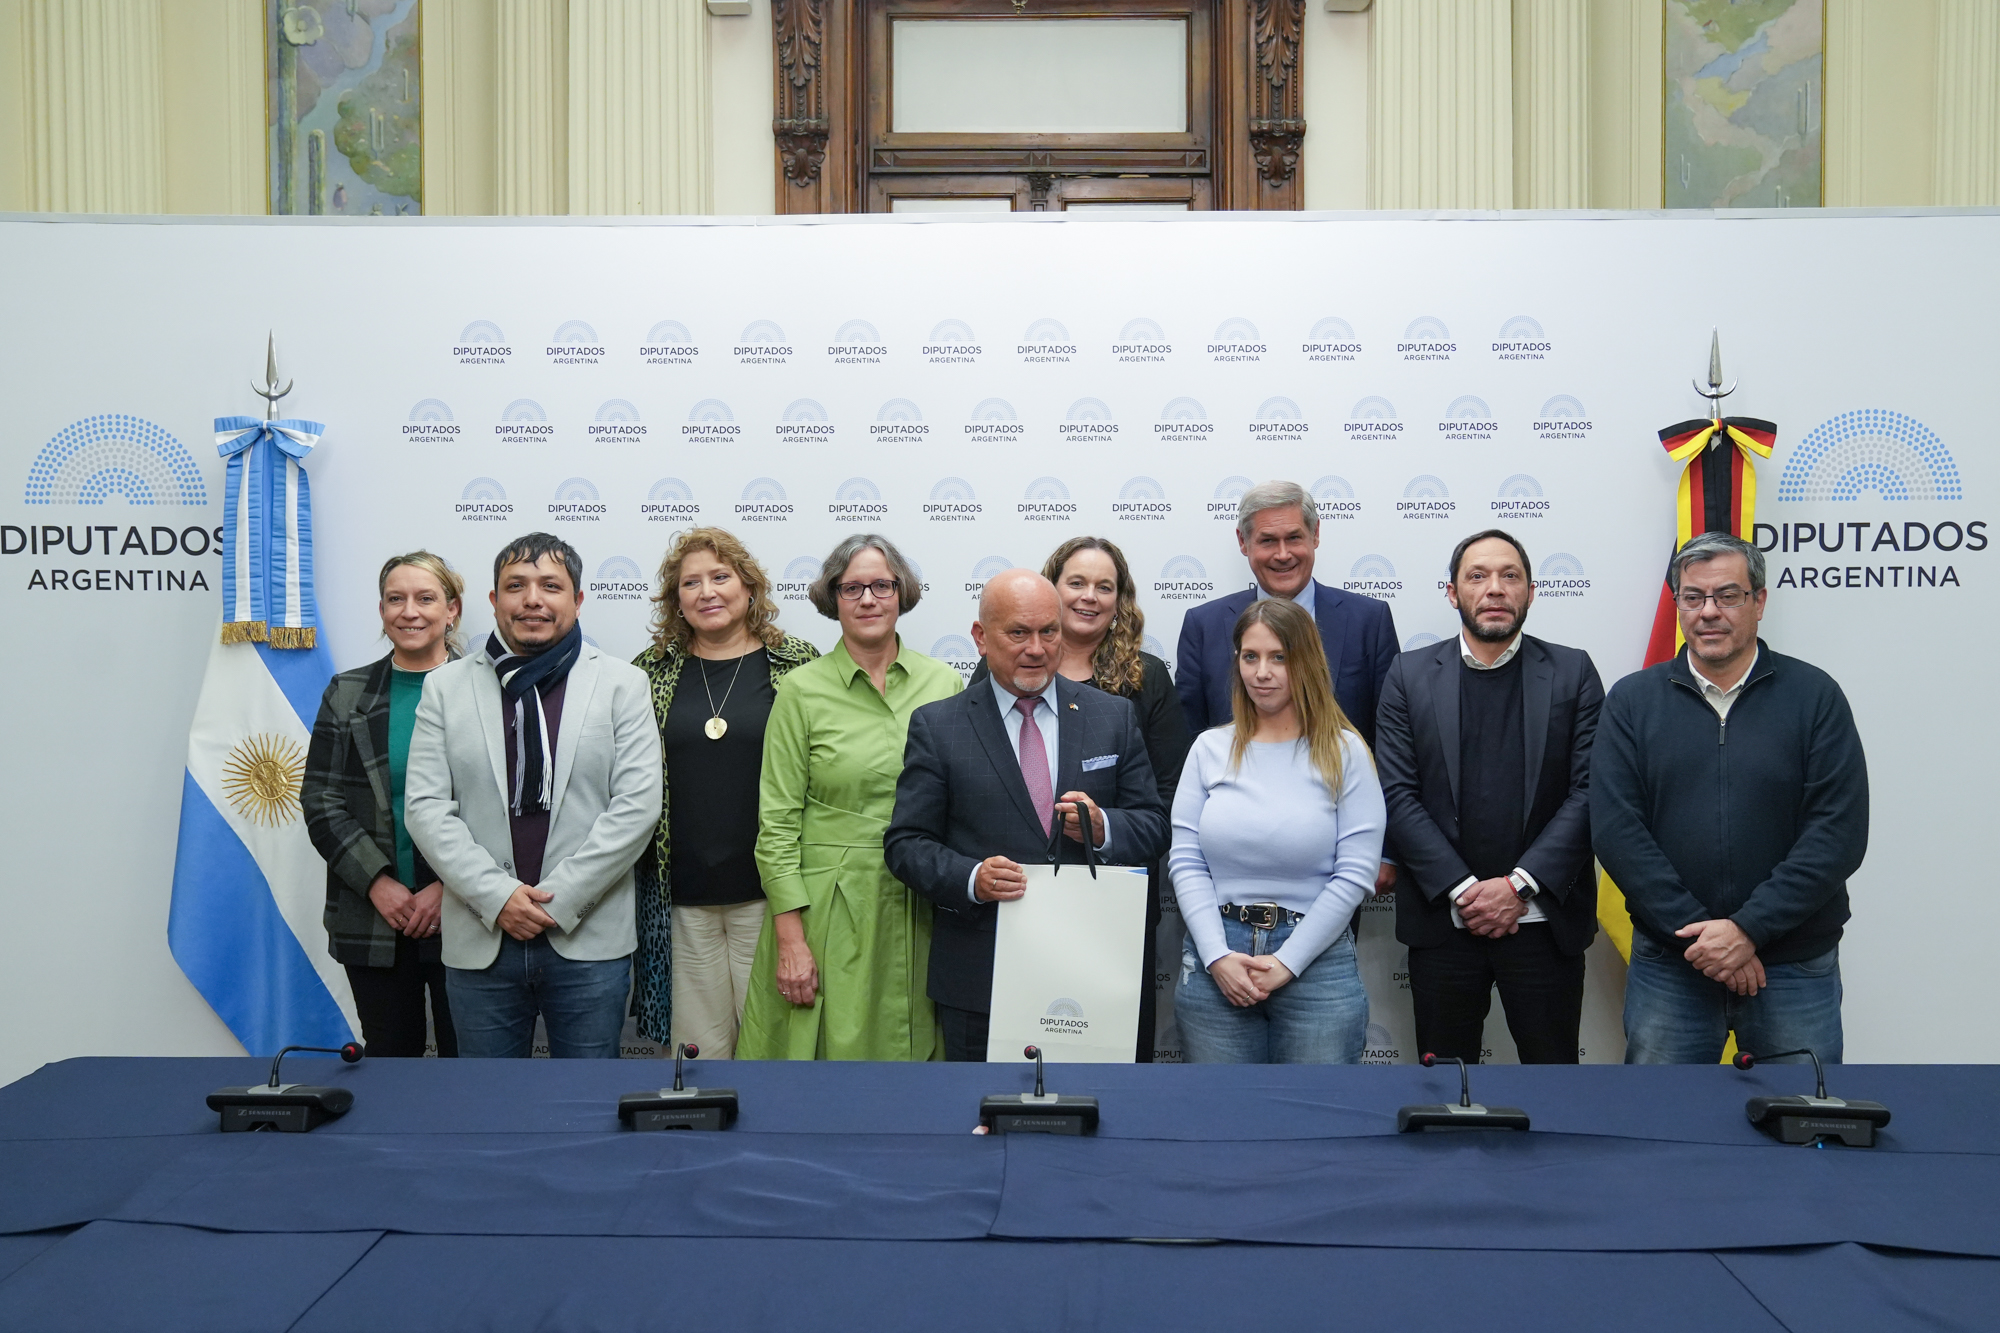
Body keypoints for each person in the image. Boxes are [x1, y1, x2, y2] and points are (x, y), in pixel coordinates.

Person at [1592, 531, 1868, 1065]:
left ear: (1759, 601)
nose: (1708, 612)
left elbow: (1837, 833)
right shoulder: (1632, 701)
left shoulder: (1815, 697)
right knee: (1664, 1131)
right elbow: (1617, 831)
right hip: (1672, 964)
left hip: (1792, 965)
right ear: (1679, 606)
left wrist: (1748, 930)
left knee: (1802, 1129)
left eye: (1728, 595)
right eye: (1693, 597)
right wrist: (1707, 941)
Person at [884, 569, 1170, 1062]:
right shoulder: (939, 725)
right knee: (985, 1121)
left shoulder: (1112, 716)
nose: (1036, 648)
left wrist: (1104, 829)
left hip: (1097, 972)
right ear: (980, 637)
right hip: (982, 975)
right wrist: (971, 876)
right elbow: (906, 843)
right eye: (1018, 633)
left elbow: (1153, 823)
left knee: (1100, 1119)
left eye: (1048, 631)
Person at [404, 533, 662, 1059]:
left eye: (551, 585)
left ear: (578, 599)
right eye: (515, 586)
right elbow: (427, 808)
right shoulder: (445, 688)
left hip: (588, 939)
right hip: (482, 937)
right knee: (489, 1109)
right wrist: (498, 898)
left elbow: (637, 807)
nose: (533, 599)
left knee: (589, 1107)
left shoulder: (622, 684)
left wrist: (556, 901)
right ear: (494, 601)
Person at [1375, 530, 1604, 1064]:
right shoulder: (1409, 676)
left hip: (1545, 923)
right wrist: (1465, 891)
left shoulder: (1573, 672)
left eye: (1510, 576)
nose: (1494, 589)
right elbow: (1396, 793)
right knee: (1444, 1091)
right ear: (1453, 593)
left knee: (1554, 1086)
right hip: (1444, 924)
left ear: (1530, 591)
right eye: (1477, 576)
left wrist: (1518, 887)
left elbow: (1591, 790)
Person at [736, 534, 961, 1061]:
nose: (867, 599)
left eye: (881, 585)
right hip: (826, 911)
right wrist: (791, 939)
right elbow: (776, 826)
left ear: (901, 592)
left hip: (922, 903)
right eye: (851, 587)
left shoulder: (945, 683)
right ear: (831, 597)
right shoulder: (799, 690)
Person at [971, 537, 1189, 1061]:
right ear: (1051, 590)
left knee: (1110, 1059)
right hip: (1013, 908)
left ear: (1121, 600)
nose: (1089, 596)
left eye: (1104, 586)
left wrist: (1104, 827)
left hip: (1109, 908)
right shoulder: (1001, 668)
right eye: (1076, 582)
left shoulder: (1147, 678)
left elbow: (1164, 802)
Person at [1169, 598, 1385, 1063]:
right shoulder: (1209, 748)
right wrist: (1216, 957)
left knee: (1316, 1125)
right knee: (1223, 1123)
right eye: (1250, 657)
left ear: (1305, 662)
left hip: (1318, 960)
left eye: (1278, 657)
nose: (1261, 672)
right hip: (1215, 958)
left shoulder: (1346, 752)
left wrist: (1287, 962)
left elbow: (1356, 874)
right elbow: (1186, 861)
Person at [630, 528, 819, 1059]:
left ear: (749, 588)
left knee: (777, 1049)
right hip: (681, 900)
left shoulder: (797, 664)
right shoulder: (650, 671)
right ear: (676, 600)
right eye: (691, 582)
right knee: (699, 1058)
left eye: (720, 577)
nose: (706, 591)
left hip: (775, 899)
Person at [1176, 480, 1399, 896]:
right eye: (1267, 540)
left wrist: (1385, 851)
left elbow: (1390, 742)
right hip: (1227, 864)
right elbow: (1186, 739)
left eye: (1294, 537)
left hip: (1339, 861)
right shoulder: (1204, 626)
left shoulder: (1369, 620)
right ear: (1243, 543)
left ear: (1316, 536)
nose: (1283, 554)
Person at [303, 551, 465, 1058]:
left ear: (453, 610)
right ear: (381, 610)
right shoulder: (348, 693)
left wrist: (450, 885)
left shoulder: (489, 690)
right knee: (390, 1061)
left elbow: (505, 806)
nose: (410, 611)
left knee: (473, 1065)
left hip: (468, 909)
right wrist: (378, 882)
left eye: (425, 598)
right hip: (373, 915)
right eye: (396, 599)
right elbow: (320, 799)